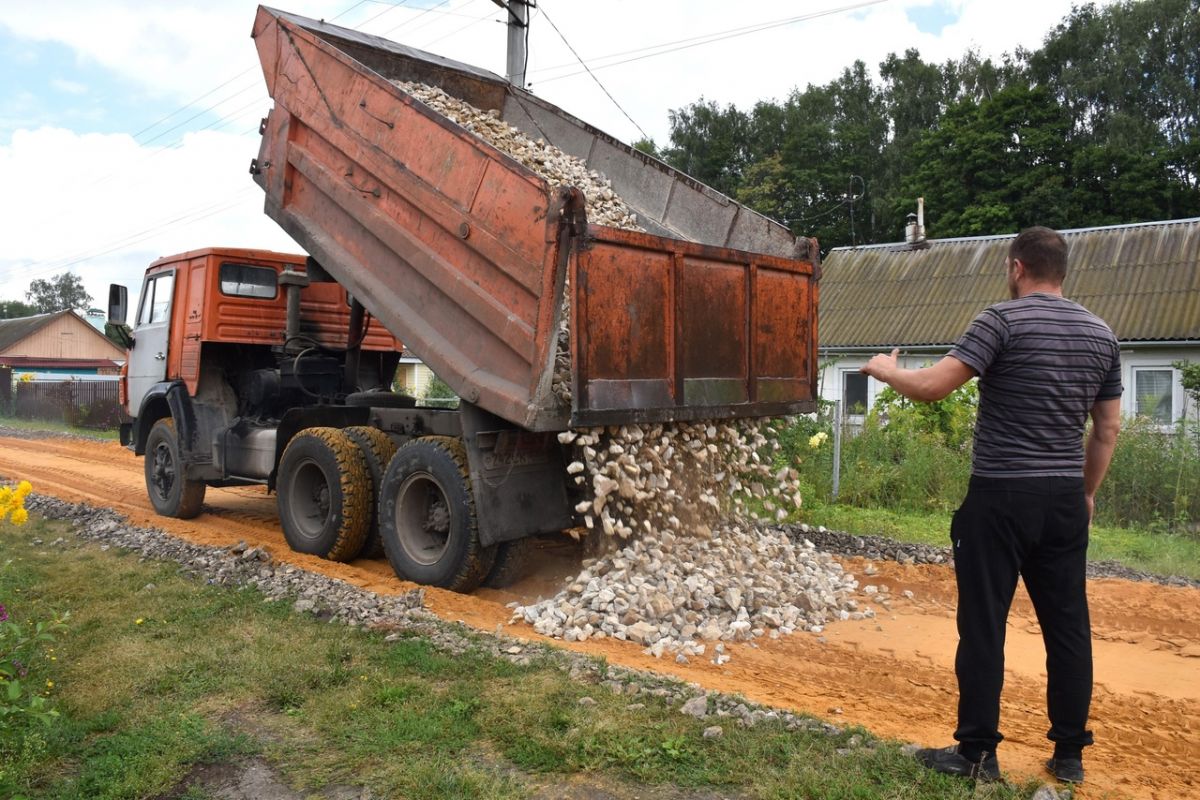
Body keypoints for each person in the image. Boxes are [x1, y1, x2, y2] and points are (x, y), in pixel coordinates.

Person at [859, 226, 1122, 785]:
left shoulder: (1000, 320)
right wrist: (1087, 493)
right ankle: (1070, 756)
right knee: (1068, 626)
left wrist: (885, 370)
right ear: (1062, 271)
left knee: (984, 625)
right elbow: (1107, 428)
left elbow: (933, 387)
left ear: (1017, 266)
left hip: (1001, 494)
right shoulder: (1102, 334)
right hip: (1063, 499)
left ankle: (977, 755)